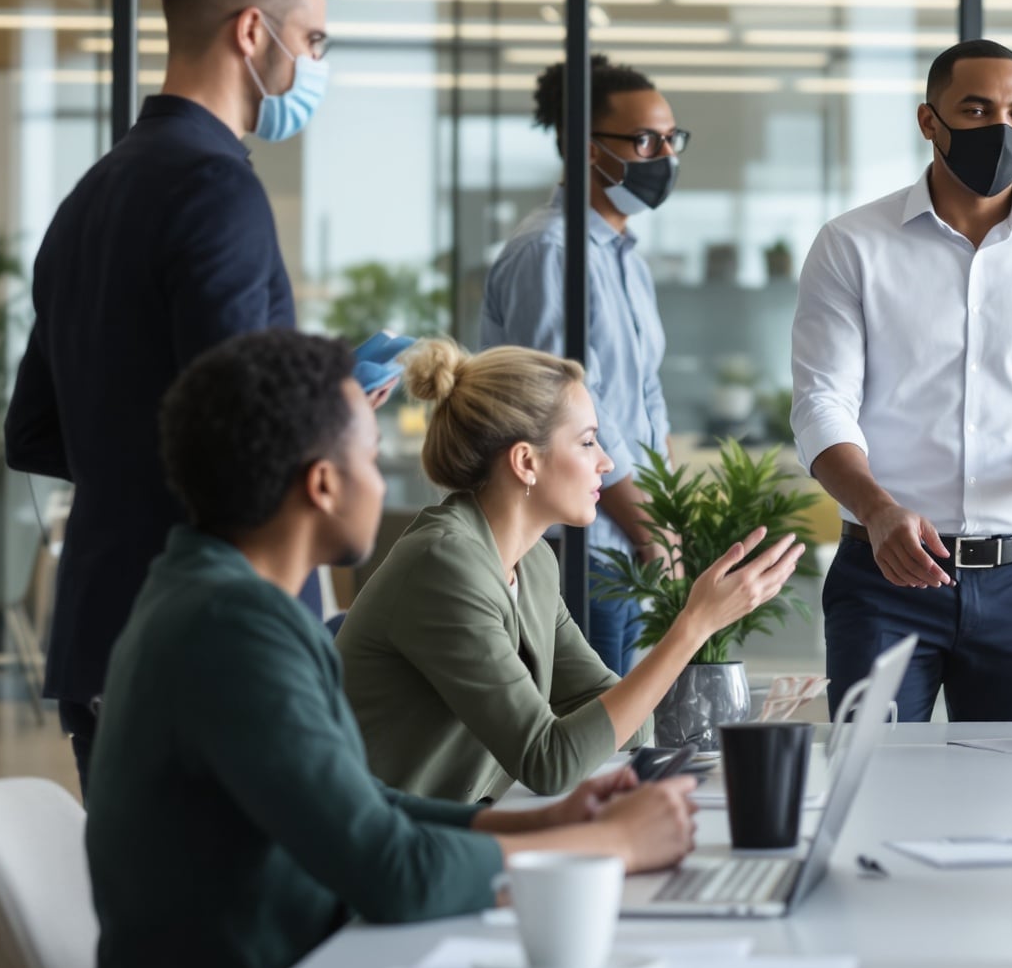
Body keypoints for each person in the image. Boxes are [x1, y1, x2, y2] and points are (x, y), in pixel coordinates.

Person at [87, 330, 697, 968]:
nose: (383, 487)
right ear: (324, 484)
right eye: (373, 460)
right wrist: (611, 846)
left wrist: (542, 821)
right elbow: (395, 872)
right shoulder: (233, 630)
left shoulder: (220, 601)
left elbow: (364, 804)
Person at [7, 0, 352, 791]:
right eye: (313, 40)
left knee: (144, 879)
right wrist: (330, 411)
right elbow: (241, 436)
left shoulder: (91, 196)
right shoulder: (216, 189)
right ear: (252, 32)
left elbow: (34, 431)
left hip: (102, 628)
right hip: (214, 640)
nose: (317, 64)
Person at [792, 39, 1012, 722]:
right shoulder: (851, 244)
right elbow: (822, 403)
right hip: (883, 577)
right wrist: (877, 508)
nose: (1001, 129)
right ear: (930, 121)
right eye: (976, 110)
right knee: (874, 774)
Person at [340, 340, 804, 803]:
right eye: (586, 442)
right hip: (371, 837)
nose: (606, 461)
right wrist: (695, 625)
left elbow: (628, 724)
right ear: (526, 462)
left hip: (452, 824)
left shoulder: (534, 563)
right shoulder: (445, 566)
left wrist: (690, 631)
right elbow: (549, 762)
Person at [479, 57, 681, 675]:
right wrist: (649, 530)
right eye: (646, 140)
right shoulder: (549, 252)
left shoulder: (626, 259)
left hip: (626, 539)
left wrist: (666, 518)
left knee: (624, 714)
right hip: (578, 543)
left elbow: (645, 395)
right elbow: (563, 414)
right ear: (590, 150)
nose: (666, 155)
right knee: (591, 721)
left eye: (671, 138)